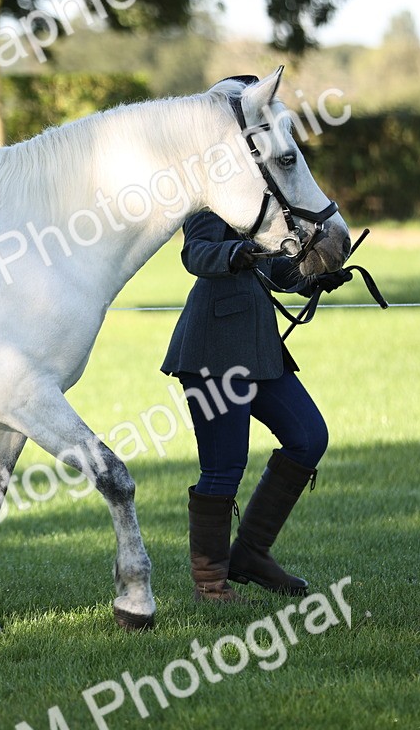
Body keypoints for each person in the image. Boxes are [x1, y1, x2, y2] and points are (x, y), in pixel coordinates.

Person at [161, 211, 351, 602]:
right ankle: (210, 584)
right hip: (212, 352)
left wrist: (310, 279)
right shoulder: (209, 203)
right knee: (224, 466)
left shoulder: (258, 205)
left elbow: (271, 271)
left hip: (260, 351)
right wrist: (236, 252)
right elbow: (195, 254)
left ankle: (250, 553)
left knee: (309, 437)